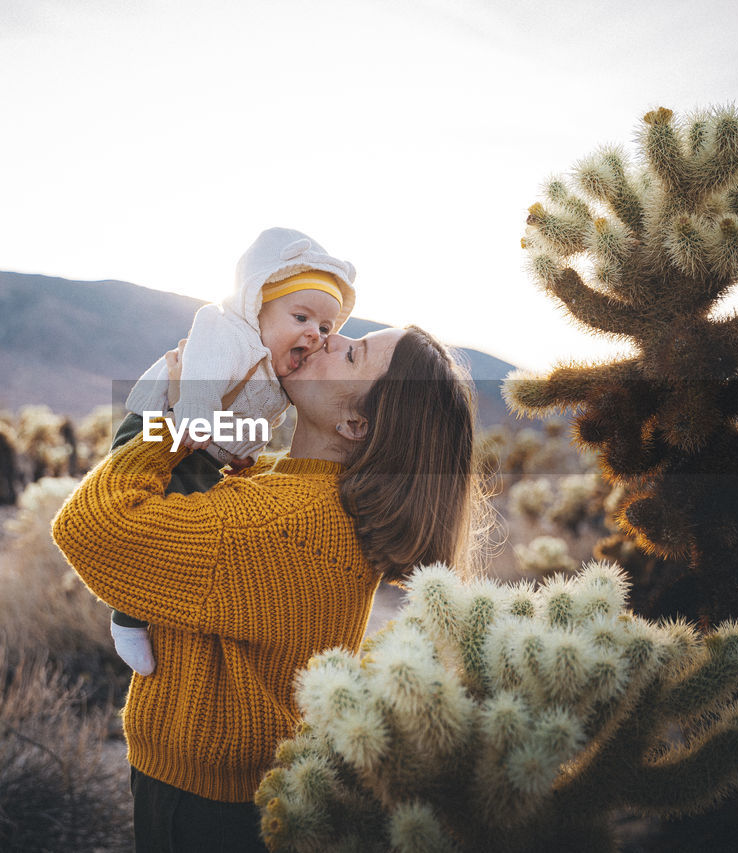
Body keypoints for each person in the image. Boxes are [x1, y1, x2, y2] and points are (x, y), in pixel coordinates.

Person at [52, 323, 480, 852]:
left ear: (354, 423)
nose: (328, 341)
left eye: (350, 356)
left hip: (205, 806)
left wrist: (166, 423)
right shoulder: (301, 490)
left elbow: (93, 527)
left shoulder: (283, 521)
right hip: (242, 790)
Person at [107, 227, 357, 677]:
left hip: (201, 446)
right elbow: (201, 370)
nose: (316, 335)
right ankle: (127, 616)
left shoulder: (278, 371)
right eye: (301, 317)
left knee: (189, 526)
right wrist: (196, 410)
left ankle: (153, 607)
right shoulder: (227, 332)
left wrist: (241, 452)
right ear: (257, 305)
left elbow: (256, 418)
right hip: (158, 427)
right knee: (162, 522)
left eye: (325, 327)